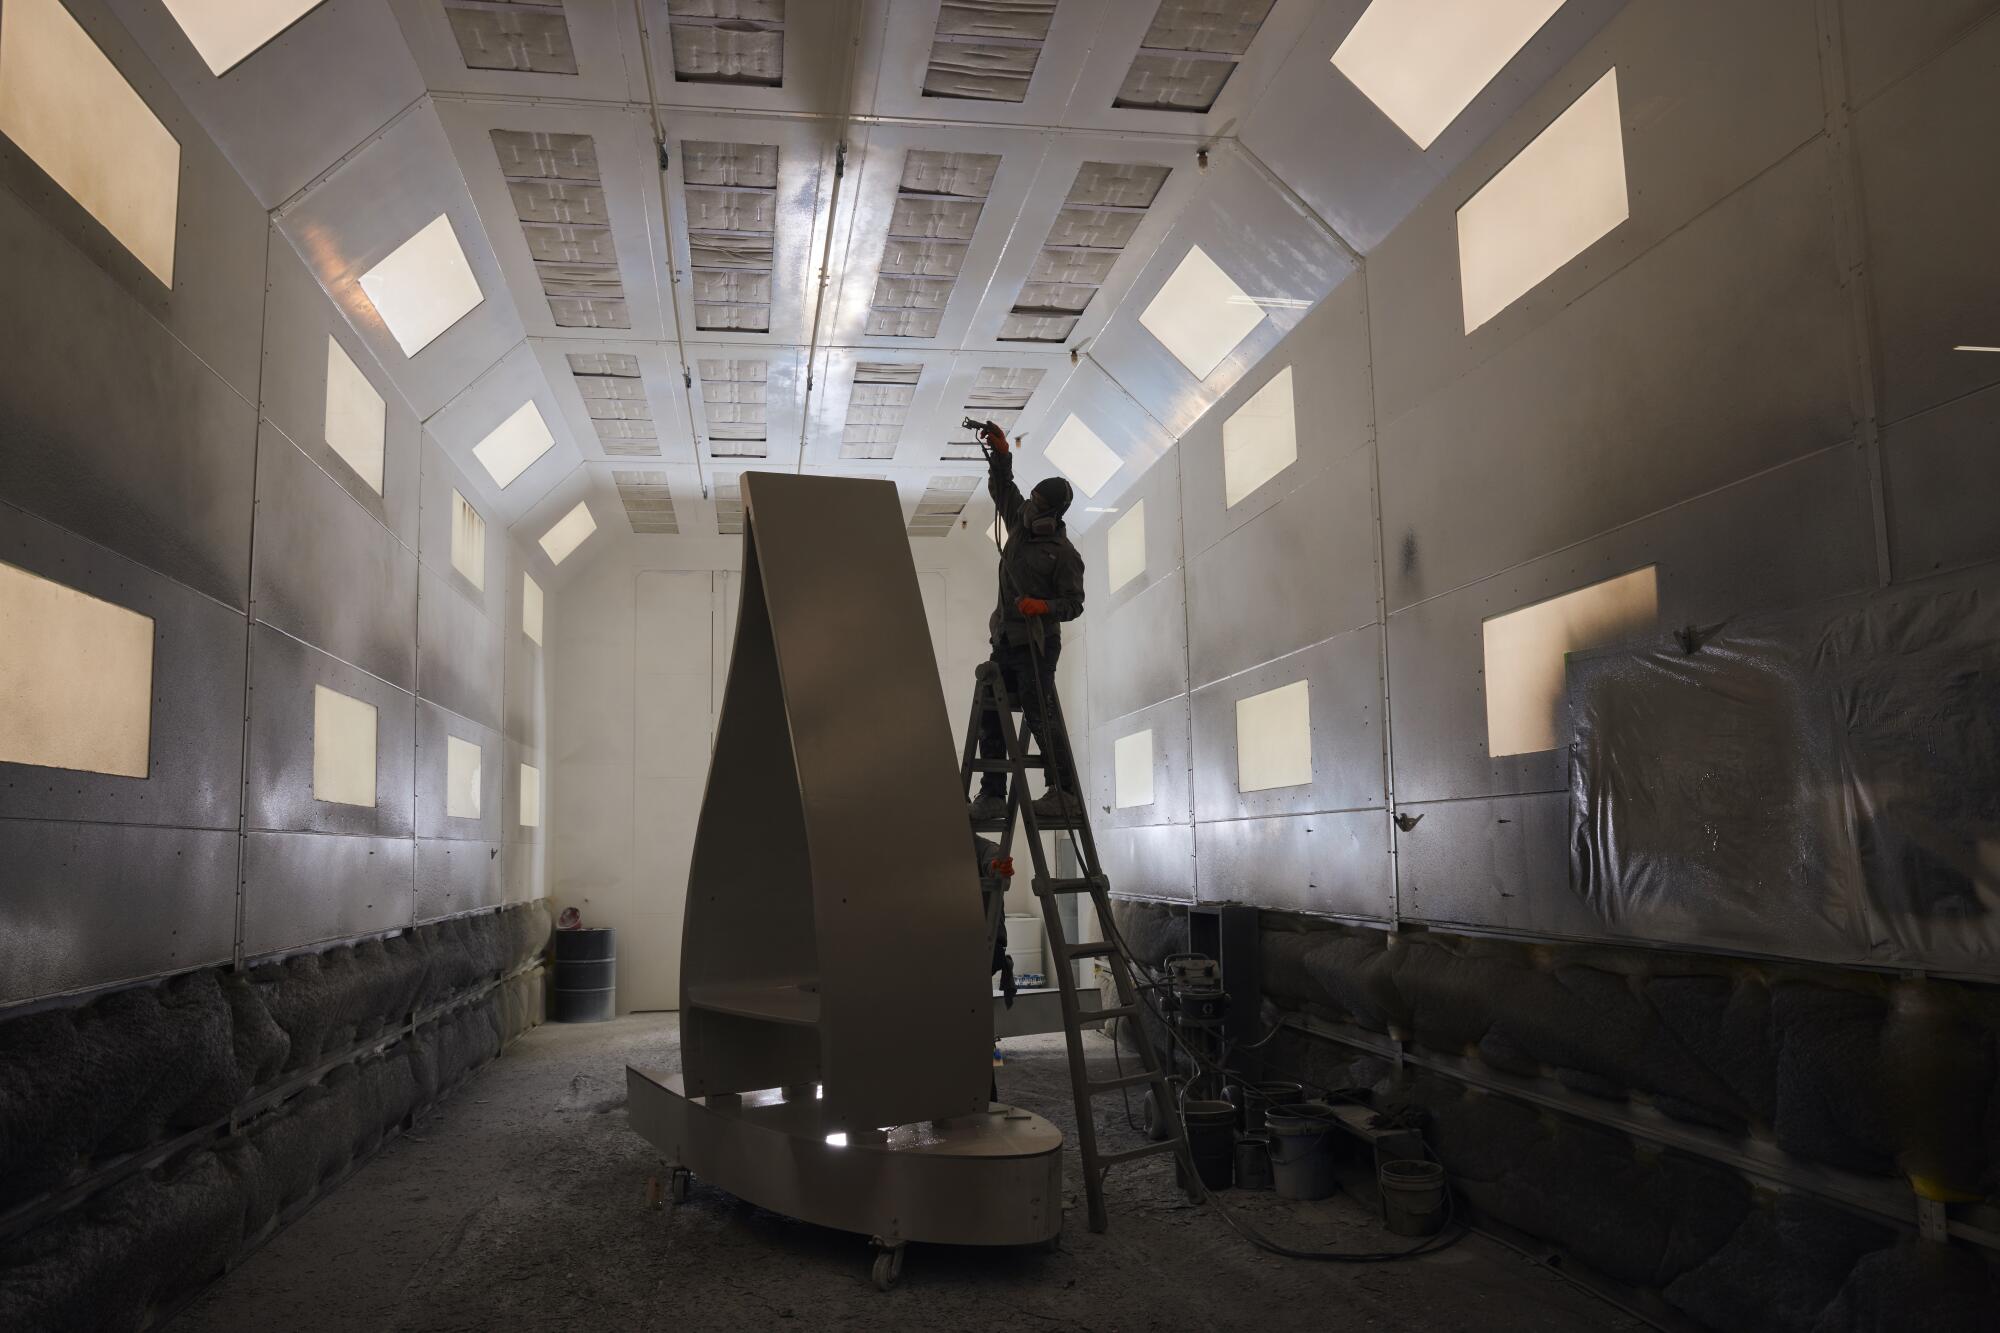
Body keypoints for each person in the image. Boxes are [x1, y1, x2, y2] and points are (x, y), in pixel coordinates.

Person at [969, 421, 1085, 824]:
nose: (1031, 506)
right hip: (1004, 638)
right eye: (1031, 498)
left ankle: (1063, 793)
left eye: (1039, 503)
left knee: (1040, 713)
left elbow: (1074, 604)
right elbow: (1004, 488)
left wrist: (1044, 606)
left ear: (1053, 513)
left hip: (1037, 645)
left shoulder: (1064, 554)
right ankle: (992, 795)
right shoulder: (1018, 521)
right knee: (989, 710)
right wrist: (1001, 454)